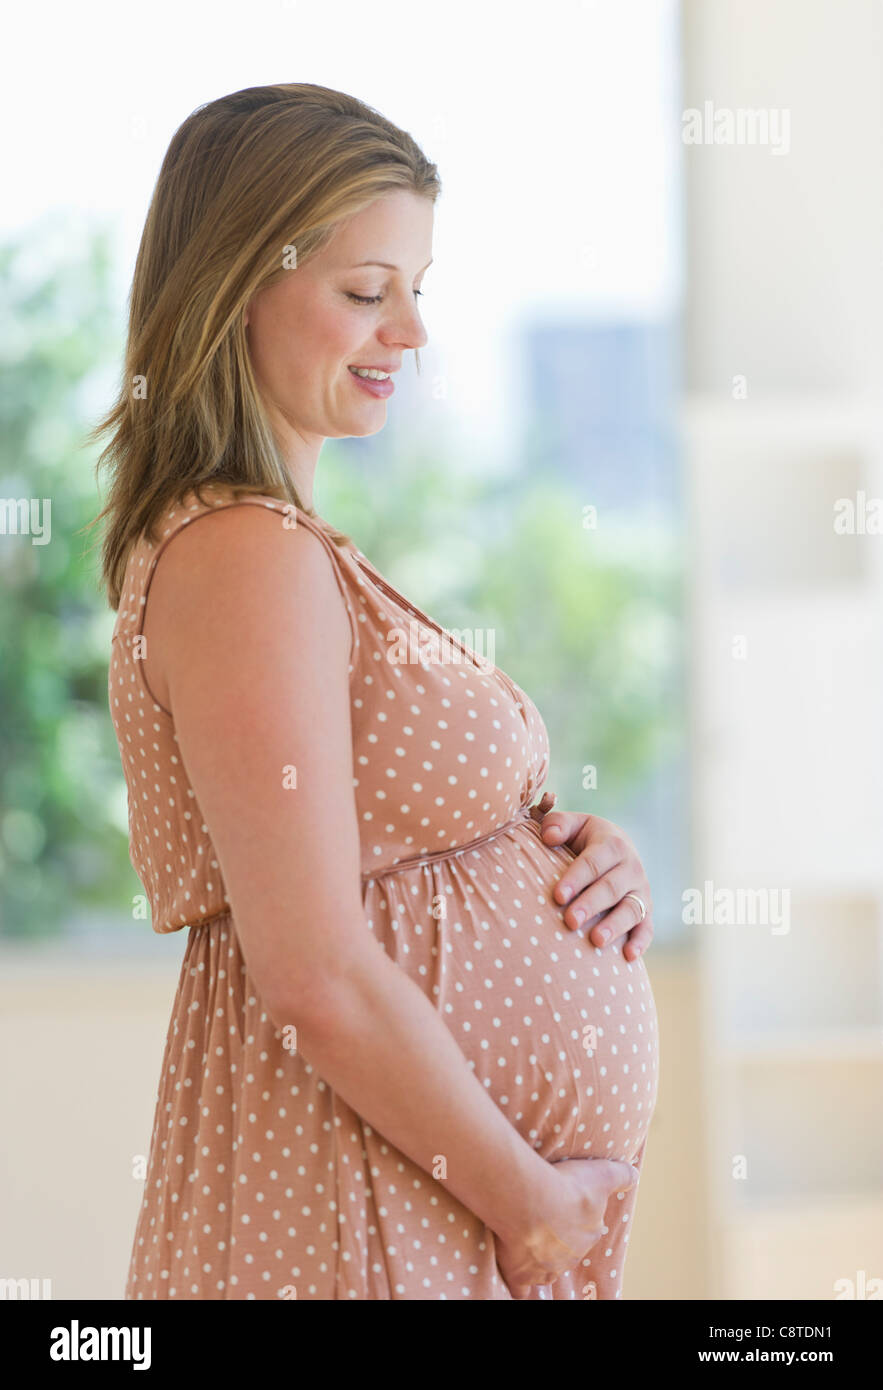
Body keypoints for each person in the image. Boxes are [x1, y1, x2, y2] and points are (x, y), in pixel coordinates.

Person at [91, 82, 659, 1300]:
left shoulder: (288, 546)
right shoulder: (241, 555)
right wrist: (533, 1205)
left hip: (409, 1199)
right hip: (359, 1206)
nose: (408, 331)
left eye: (418, 289)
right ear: (235, 283)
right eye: (364, 292)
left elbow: (392, 849)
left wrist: (565, 852)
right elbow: (314, 973)